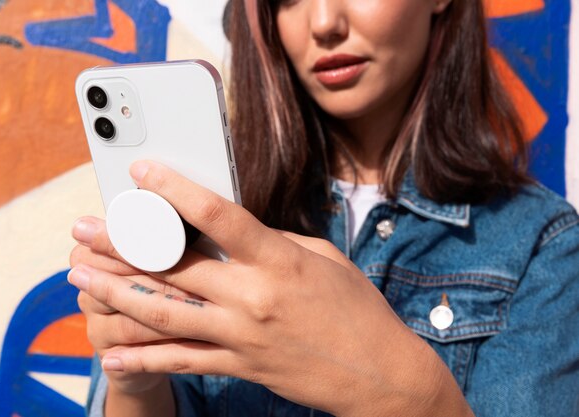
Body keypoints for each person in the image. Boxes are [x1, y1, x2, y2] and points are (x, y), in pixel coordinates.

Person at [68, 0, 579, 416]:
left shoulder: (541, 246)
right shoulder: (210, 213)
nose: (323, 23)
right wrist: (134, 382)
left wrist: (403, 390)